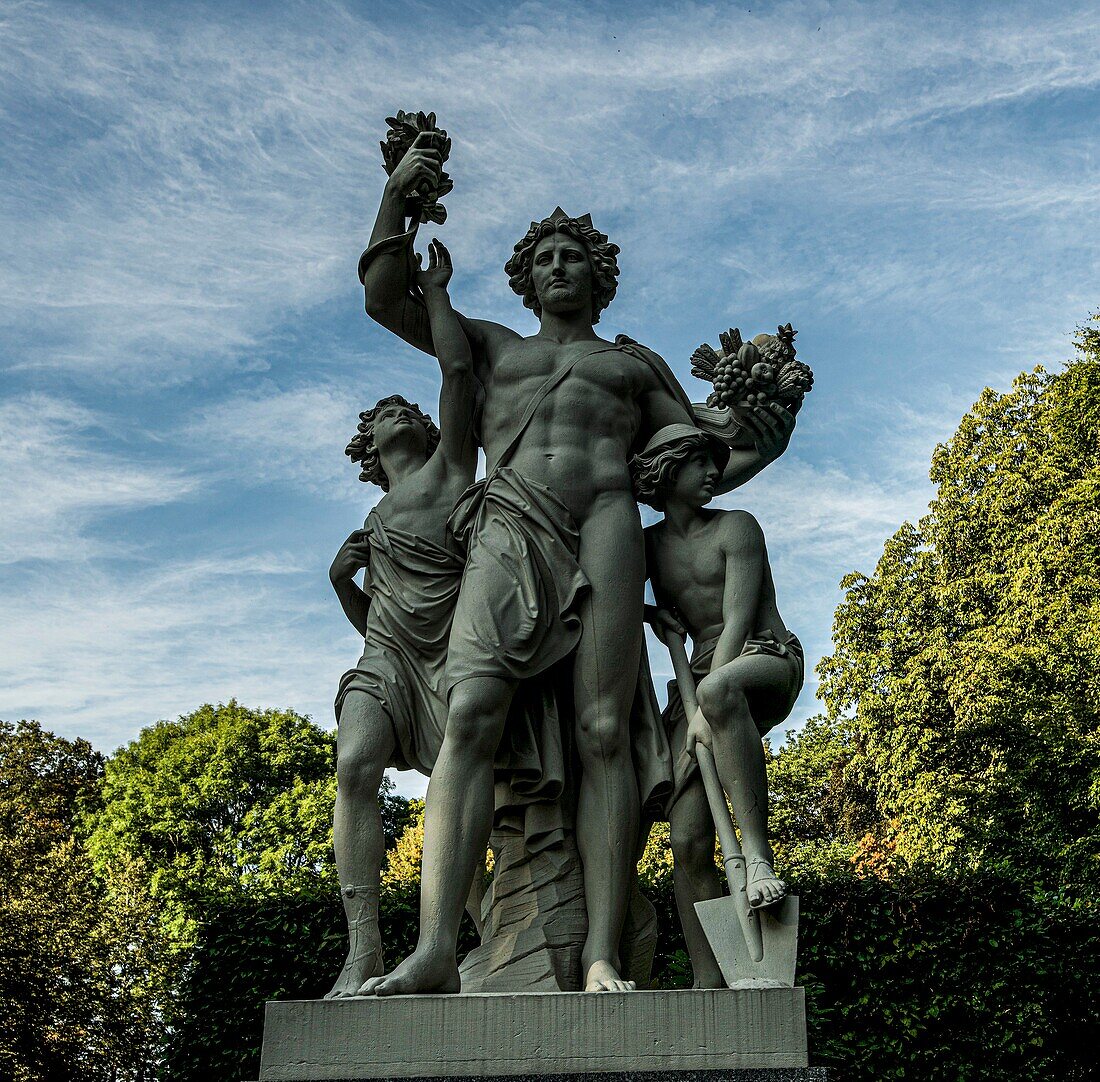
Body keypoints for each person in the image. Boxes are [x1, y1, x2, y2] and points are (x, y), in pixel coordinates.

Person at [357, 134, 796, 995]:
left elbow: (705, 459)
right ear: (527, 278)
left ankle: (598, 952)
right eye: (546, 257)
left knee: (604, 736)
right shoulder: (489, 347)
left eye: (575, 256)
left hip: (606, 528)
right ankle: (438, 946)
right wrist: (397, 198)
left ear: (600, 274)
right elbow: (382, 298)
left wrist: (769, 437)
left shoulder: (631, 366)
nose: (560, 265)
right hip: (510, 525)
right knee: (472, 711)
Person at [324, 240, 478, 998]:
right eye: (383, 413)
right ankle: (362, 951)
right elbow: (371, 621)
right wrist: (339, 581)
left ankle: (452, 945)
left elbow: (456, 372)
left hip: (450, 654)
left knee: (466, 794)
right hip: (385, 656)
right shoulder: (373, 518)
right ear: (370, 446)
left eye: (403, 408)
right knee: (354, 765)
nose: (398, 413)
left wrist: (436, 295)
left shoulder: (453, 471)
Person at [635, 424, 804, 989]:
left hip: (762, 655)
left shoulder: (737, 527)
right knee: (685, 840)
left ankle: (757, 857)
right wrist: (649, 614)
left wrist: (707, 702)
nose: (713, 473)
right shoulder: (649, 546)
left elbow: (737, 619)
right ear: (665, 471)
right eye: (699, 463)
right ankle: (711, 981)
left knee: (718, 691)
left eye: (715, 462)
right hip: (699, 681)